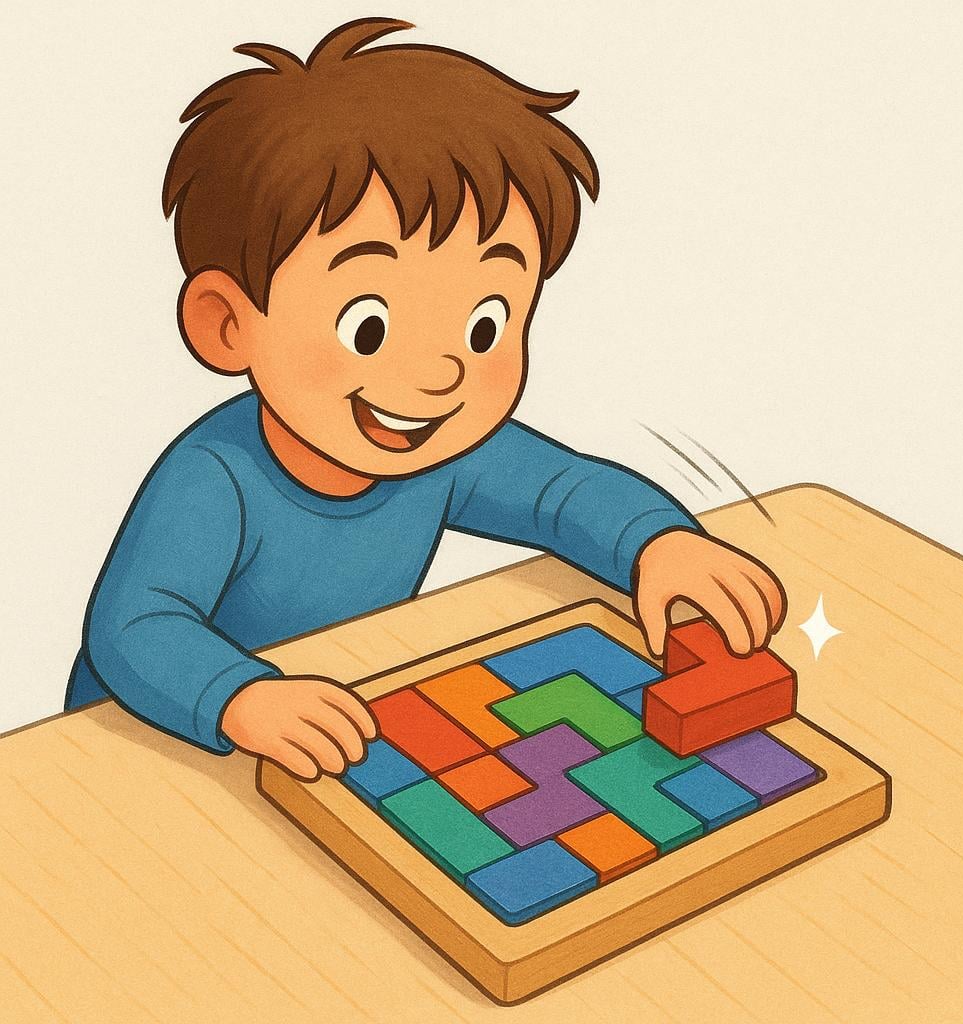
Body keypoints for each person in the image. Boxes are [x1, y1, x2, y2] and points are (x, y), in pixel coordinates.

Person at [67, 17, 786, 781]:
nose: (440, 374)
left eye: (485, 325)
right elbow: (135, 627)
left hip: (320, 740)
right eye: (368, 327)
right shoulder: (216, 476)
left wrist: (656, 542)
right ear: (228, 325)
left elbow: (562, 489)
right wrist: (240, 698)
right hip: (145, 748)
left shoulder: (443, 451)